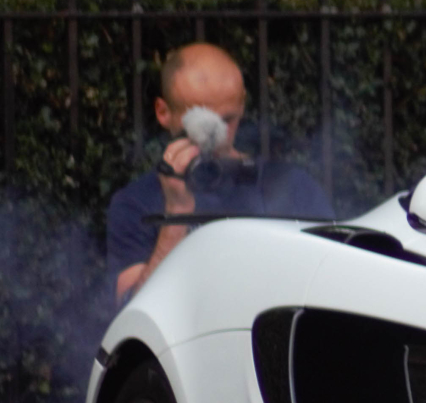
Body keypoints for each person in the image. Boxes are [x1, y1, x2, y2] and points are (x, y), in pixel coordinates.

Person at [108, 43, 331, 302]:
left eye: (227, 120)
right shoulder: (136, 203)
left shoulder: (292, 188)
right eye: (198, 122)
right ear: (163, 112)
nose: (216, 137)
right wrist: (176, 215)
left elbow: (329, 289)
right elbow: (134, 315)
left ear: (242, 104)